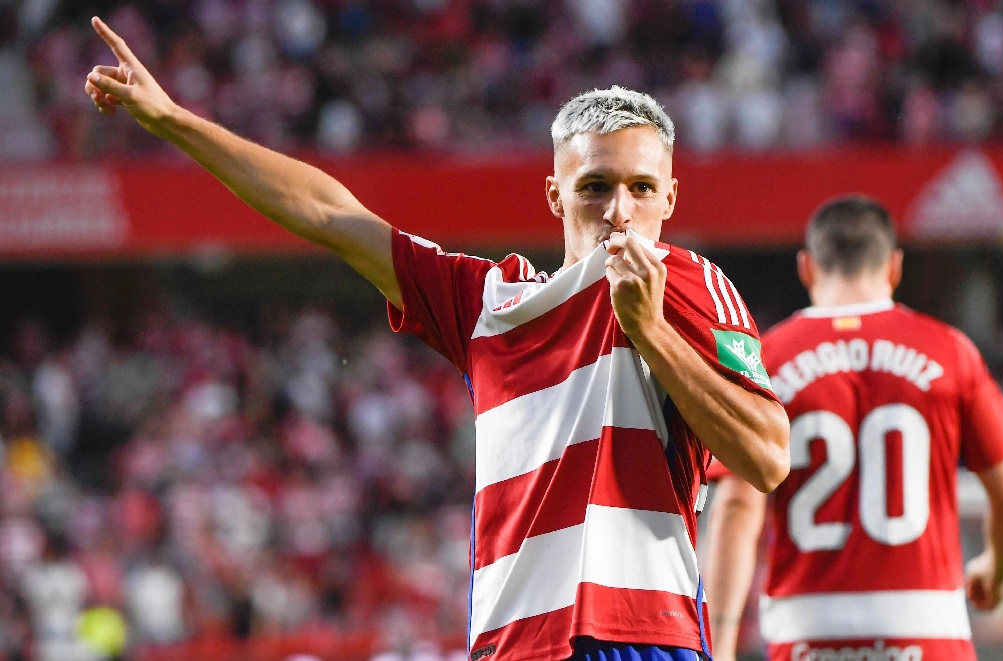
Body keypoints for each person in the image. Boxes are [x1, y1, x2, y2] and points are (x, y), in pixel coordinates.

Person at [83, 16, 790, 661]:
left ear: (670, 197)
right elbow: (329, 214)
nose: (619, 211)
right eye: (595, 186)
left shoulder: (690, 281)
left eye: (641, 188)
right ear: (555, 194)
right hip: (509, 645)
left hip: (642, 636)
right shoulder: (489, 303)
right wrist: (173, 120)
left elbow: (766, 456)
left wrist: (650, 331)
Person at [702, 196, 1003, 661]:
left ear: (806, 268)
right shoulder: (950, 351)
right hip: (927, 630)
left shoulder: (764, 358)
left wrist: (719, 644)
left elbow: (738, 507)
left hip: (807, 634)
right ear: (895, 267)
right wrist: (994, 570)